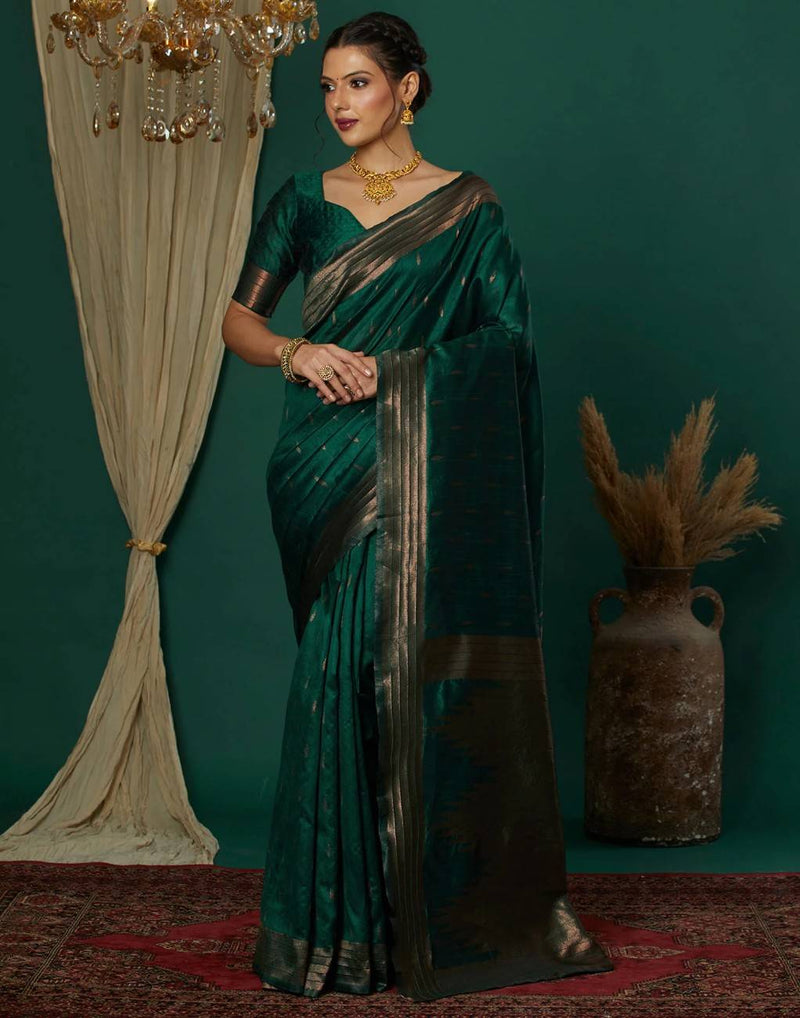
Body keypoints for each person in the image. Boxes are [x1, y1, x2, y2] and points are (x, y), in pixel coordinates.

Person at [222, 10, 614, 1003]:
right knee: (339, 670)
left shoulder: (466, 207)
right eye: (326, 88)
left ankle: (406, 919)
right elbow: (238, 315)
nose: (338, 104)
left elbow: (505, 343)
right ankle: (331, 928)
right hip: (320, 460)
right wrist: (295, 351)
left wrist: (401, 375)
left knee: (399, 666)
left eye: (356, 83)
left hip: (422, 460)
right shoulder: (304, 201)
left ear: (408, 88)